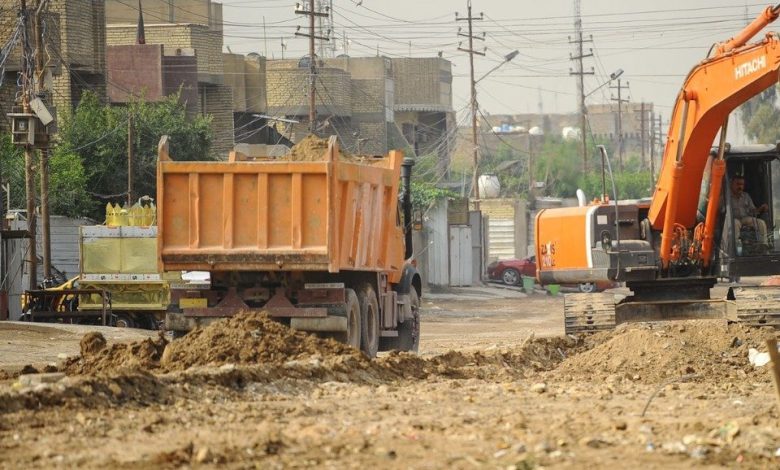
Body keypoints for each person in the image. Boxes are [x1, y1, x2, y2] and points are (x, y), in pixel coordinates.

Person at [730, 176, 768, 245]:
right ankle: (735, 247)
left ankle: (764, 245)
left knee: (761, 223)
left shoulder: (746, 196)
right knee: (735, 224)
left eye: (742, 184)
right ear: (732, 184)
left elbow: (753, 211)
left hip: (745, 219)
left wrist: (761, 208)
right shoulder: (726, 196)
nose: (740, 187)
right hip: (732, 219)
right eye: (738, 184)